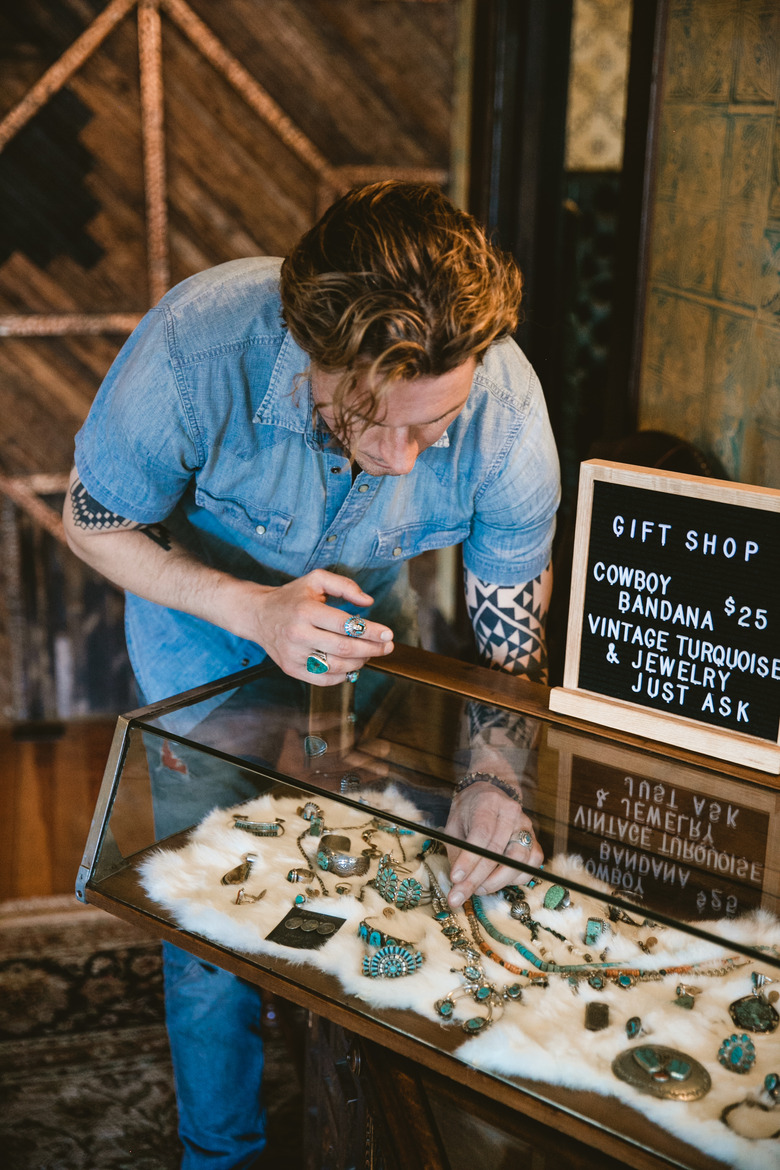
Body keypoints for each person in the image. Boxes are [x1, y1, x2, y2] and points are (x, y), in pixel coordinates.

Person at [64, 181, 560, 1169]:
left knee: (372, 863)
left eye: (433, 427)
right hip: (199, 619)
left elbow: (509, 642)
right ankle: (223, 1153)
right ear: (308, 352)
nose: (398, 457)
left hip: (369, 622)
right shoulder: (196, 348)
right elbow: (94, 520)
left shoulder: (507, 415)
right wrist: (253, 611)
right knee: (210, 901)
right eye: (369, 419)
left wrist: (497, 782)